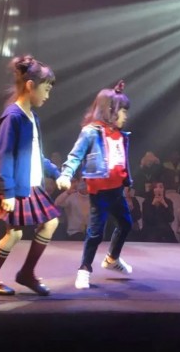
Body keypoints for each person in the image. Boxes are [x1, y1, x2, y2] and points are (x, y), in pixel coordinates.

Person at [0, 55, 61, 297]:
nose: (48, 95)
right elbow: (1, 155)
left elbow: (35, 154)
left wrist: (55, 173)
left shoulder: (32, 117)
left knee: (49, 223)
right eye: (46, 89)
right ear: (30, 85)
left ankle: (26, 273)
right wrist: (7, 192)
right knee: (14, 233)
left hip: (30, 185)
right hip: (14, 186)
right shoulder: (13, 116)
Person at [57, 80, 133, 290]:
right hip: (99, 193)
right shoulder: (91, 132)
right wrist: (66, 174)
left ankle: (112, 258)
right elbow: (75, 155)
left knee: (126, 224)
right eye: (123, 111)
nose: (126, 116)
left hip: (117, 191)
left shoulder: (121, 136)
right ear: (110, 111)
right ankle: (84, 269)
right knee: (95, 232)